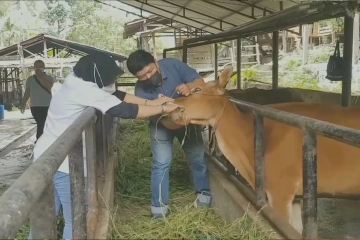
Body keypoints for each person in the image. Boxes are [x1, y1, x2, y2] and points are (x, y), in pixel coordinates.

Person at [28, 52, 179, 240]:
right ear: (98, 75)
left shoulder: (76, 80)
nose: (112, 81)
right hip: (63, 163)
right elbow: (124, 110)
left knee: (45, 214)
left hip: (45, 154)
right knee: (75, 219)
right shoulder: (85, 91)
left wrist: (152, 102)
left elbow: (116, 94)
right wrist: (163, 108)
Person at [126, 49, 212, 220]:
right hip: (162, 124)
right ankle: (159, 209)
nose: (148, 77)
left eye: (150, 71)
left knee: (198, 157)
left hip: (188, 120)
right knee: (162, 162)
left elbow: (201, 82)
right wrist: (176, 118)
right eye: (142, 77)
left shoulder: (173, 65)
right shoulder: (141, 90)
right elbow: (162, 120)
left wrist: (189, 87)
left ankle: (204, 195)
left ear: (156, 62)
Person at [21, 60, 56, 142]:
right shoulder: (30, 79)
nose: (38, 68)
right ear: (34, 68)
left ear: (44, 68)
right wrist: (23, 103)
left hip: (48, 106)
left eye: (40, 66)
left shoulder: (50, 78)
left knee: (45, 124)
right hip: (36, 107)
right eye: (36, 66)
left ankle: (42, 141)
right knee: (41, 123)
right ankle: (40, 141)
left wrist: (41, 77)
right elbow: (27, 92)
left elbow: (51, 89)